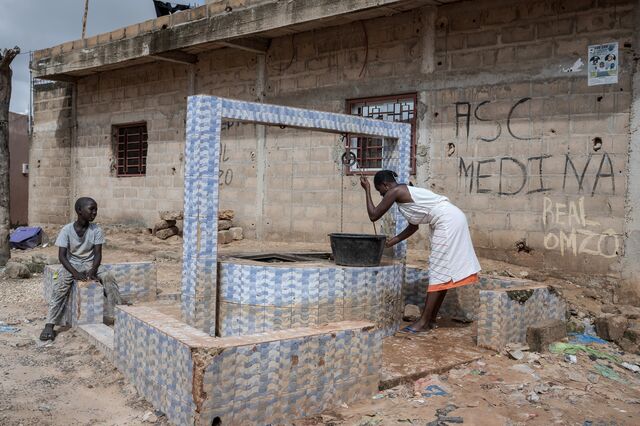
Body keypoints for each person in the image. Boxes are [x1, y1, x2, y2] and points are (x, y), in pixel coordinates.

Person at [360, 170, 481, 333]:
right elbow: (413, 226)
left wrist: (366, 189)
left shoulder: (395, 191)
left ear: (386, 185)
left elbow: (374, 215)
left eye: (379, 190)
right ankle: (430, 320)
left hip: (447, 221)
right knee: (443, 271)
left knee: (438, 270)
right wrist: (391, 242)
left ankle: (423, 322)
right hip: (448, 219)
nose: (381, 195)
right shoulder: (404, 194)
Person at [39, 197, 123, 341]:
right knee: (60, 287)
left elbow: (97, 255)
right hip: (73, 264)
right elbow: (62, 257)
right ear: (79, 211)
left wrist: (92, 271)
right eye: (91, 209)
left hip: (91, 263)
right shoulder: (66, 230)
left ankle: (120, 315)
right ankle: (50, 324)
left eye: (96, 209)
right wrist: (75, 273)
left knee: (108, 276)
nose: (94, 212)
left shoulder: (96, 229)